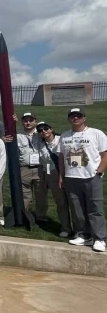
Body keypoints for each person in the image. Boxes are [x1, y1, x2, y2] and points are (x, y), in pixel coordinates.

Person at [59, 108, 107, 252]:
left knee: (95, 209)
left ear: (84, 118)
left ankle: (99, 238)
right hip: (72, 176)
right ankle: (84, 235)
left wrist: (99, 171)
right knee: (77, 209)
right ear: (69, 119)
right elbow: (61, 157)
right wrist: (61, 175)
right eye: (72, 116)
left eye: (78, 116)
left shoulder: (96, 133)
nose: (75, 118)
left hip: (91, 176)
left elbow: (105, 154)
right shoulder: (64, 136)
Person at [36, 122, 76, 238]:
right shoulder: (41, 145)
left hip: (69, 172)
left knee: (74, 203)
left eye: (46, 128)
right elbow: (44, 164)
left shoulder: (62, 139)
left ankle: (79, 230)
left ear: (51, 129)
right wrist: (45, 179)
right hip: (53, 174)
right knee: (61, 202)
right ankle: (66, 228)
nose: (43, 131)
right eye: (40, 130)